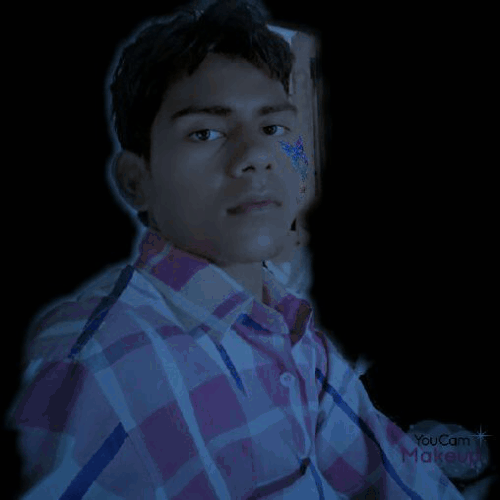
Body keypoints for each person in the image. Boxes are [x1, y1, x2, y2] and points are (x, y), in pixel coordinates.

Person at [5, 0, 468, 498]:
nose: (256, 155)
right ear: (136, 181)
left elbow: (391, 472)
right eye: (205, 132)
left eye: (273, 128)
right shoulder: (91, 369)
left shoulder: (290, 326)